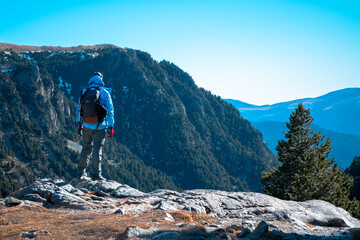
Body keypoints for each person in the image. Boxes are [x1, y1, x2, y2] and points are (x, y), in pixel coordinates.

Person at [76, 72, 114, 181]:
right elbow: (110, 111)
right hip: (100, 126)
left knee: (86, 148)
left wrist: (79, 124)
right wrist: (111, 126)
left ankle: (80, 174)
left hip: (86, 125)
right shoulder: (105, 93)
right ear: (101, 80)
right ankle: (96, 175)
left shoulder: (84, 92)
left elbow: (79, 109)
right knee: (97, 149)